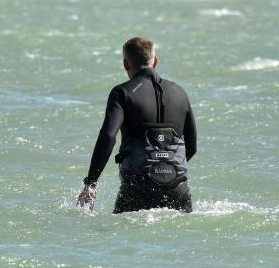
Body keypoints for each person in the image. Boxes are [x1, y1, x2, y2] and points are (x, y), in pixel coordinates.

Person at [77, 37, 197, 213]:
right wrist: (165, 168)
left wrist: (91, 181)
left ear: (126, 64)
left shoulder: (122, 93)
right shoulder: (180, 92)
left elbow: (108, 135)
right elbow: (191, 147)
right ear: (155, 61)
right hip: (178, 188)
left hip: (137, 188)